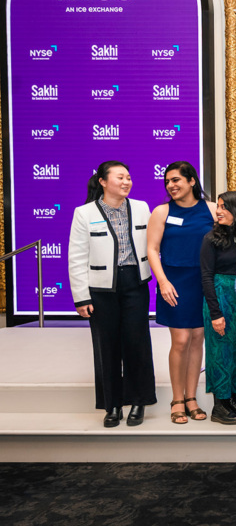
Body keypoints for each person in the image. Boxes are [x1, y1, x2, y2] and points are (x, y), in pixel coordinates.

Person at [68, 161, 156, 427]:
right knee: (106, 347)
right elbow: (77, 257)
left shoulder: (141, 208)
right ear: (103, 182)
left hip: (135, 284)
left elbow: (153, 243)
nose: (127, 182)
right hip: (101, 288)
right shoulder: (84, 213)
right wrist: (81, 297)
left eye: (129, 177)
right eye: (120, 177)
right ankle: (113, 405)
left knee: (137, 344)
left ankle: (139, 401)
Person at [147, 161, 216, 424]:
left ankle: (192, 398)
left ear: (191, 181)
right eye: (167, 181)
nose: (171, 185)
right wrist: (162, 282)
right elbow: (152, 250)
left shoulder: (211, 209)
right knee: (180, 341)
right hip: (174, 282)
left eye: (176, 180)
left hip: (203, 281)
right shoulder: (161, 211)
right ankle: (177, 399)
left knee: (198, 338)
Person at [200, 190, 236, 425]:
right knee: (219, 351)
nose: (218, 211)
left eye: (224, 207)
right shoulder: (211, 238)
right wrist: (215, 313)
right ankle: (219, 406)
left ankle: (232, 398)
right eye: (218, 206)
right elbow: (206, 276)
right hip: (220, 297)